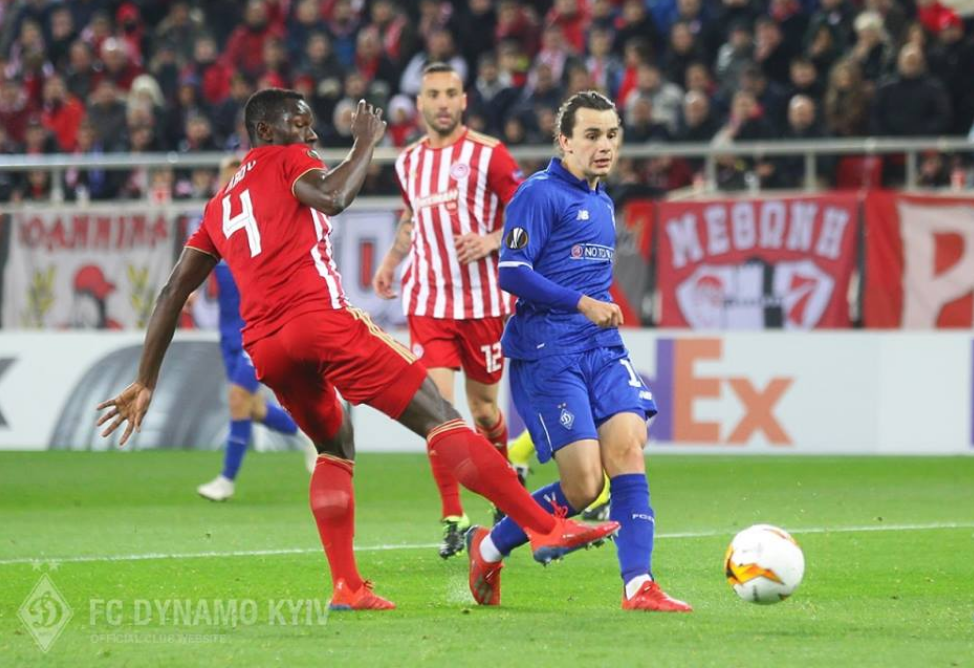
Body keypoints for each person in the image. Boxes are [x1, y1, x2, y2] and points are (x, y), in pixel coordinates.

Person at [96, 89, 618, 612]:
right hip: (319, 321)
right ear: (266, 132)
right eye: (300, 123)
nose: (310, 134)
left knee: (334, 446)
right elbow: (333, 196)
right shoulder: (288, 158)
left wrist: (146, 379)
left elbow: (172, 291)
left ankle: (347, 586)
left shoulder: (220, 203)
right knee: (441, 417)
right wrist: (365, 143)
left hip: (267, 347)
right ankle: (541, 526)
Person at [465, 90, 692, 612]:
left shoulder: (602, 201)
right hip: (548, 349)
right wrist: (582, 302)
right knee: (585, 485)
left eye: (611, 134)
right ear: (564, 141)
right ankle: (489, 547)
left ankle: (639, 586)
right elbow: (512, 272)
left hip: (599, 347)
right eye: (591, 135)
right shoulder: (538, 194)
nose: (604, 145)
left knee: (629, 447)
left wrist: (593, 309)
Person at [373, 62, 521, 559]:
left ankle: (504, 492)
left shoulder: (490, 154)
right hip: (429, 300)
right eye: (433, 94)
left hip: (483, 302)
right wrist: (391, 262)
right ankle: (454, 515)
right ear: (419, 104)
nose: (441, 102)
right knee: (438, 410)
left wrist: (492, 240)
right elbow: (412, 217)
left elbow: (527, 212)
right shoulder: (409, 161)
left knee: (484, 412)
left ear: (463, 101)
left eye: (450, 93)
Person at [195, 157, 317, 502]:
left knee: (237, 398)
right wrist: (191, 290)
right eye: (226, 179)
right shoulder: (217, 221)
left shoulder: (264, 221)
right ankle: (310, 433)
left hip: (259, 327)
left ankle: (226, 480)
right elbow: (200, 260)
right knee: (253, 407)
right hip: (229, 334)